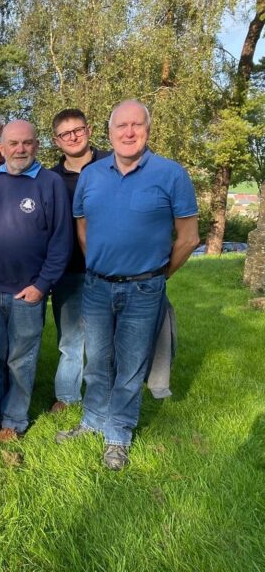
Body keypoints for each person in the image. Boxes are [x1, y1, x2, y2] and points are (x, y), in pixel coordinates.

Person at [57, 100, 199, 470]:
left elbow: (188, 238)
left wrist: (159, 275)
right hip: (97, 287)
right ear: (110, 133)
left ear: (148, 130)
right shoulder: (91, 175)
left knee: (131, 366)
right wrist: (99, 264)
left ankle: (117, 435)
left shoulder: (171, 174)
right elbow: (83, 227)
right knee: (96, 362)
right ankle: (92, 420)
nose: (129, 132)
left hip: (144, 290)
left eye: (137, 125)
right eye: (121, 126)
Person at [0, 120, 72, 442]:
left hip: (27, 292)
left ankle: (14, 420)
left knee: (21, 361)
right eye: (13, 144)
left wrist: (42, 286)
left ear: (37, 145)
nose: (20, 149)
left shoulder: (50, 183)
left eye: (27, 143)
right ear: (1, 148)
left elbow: (61, 240)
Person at [48, 109, 110, 413]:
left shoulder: (111, 164)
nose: (73, 137)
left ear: (89, 130)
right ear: (56, 140)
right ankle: (67, 395)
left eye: (78, 130)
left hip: (108, 268)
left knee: (105, 339)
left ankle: (105, 395)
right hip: (68, 269)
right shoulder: (51, 178)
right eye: (65, 133)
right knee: (70, 339)